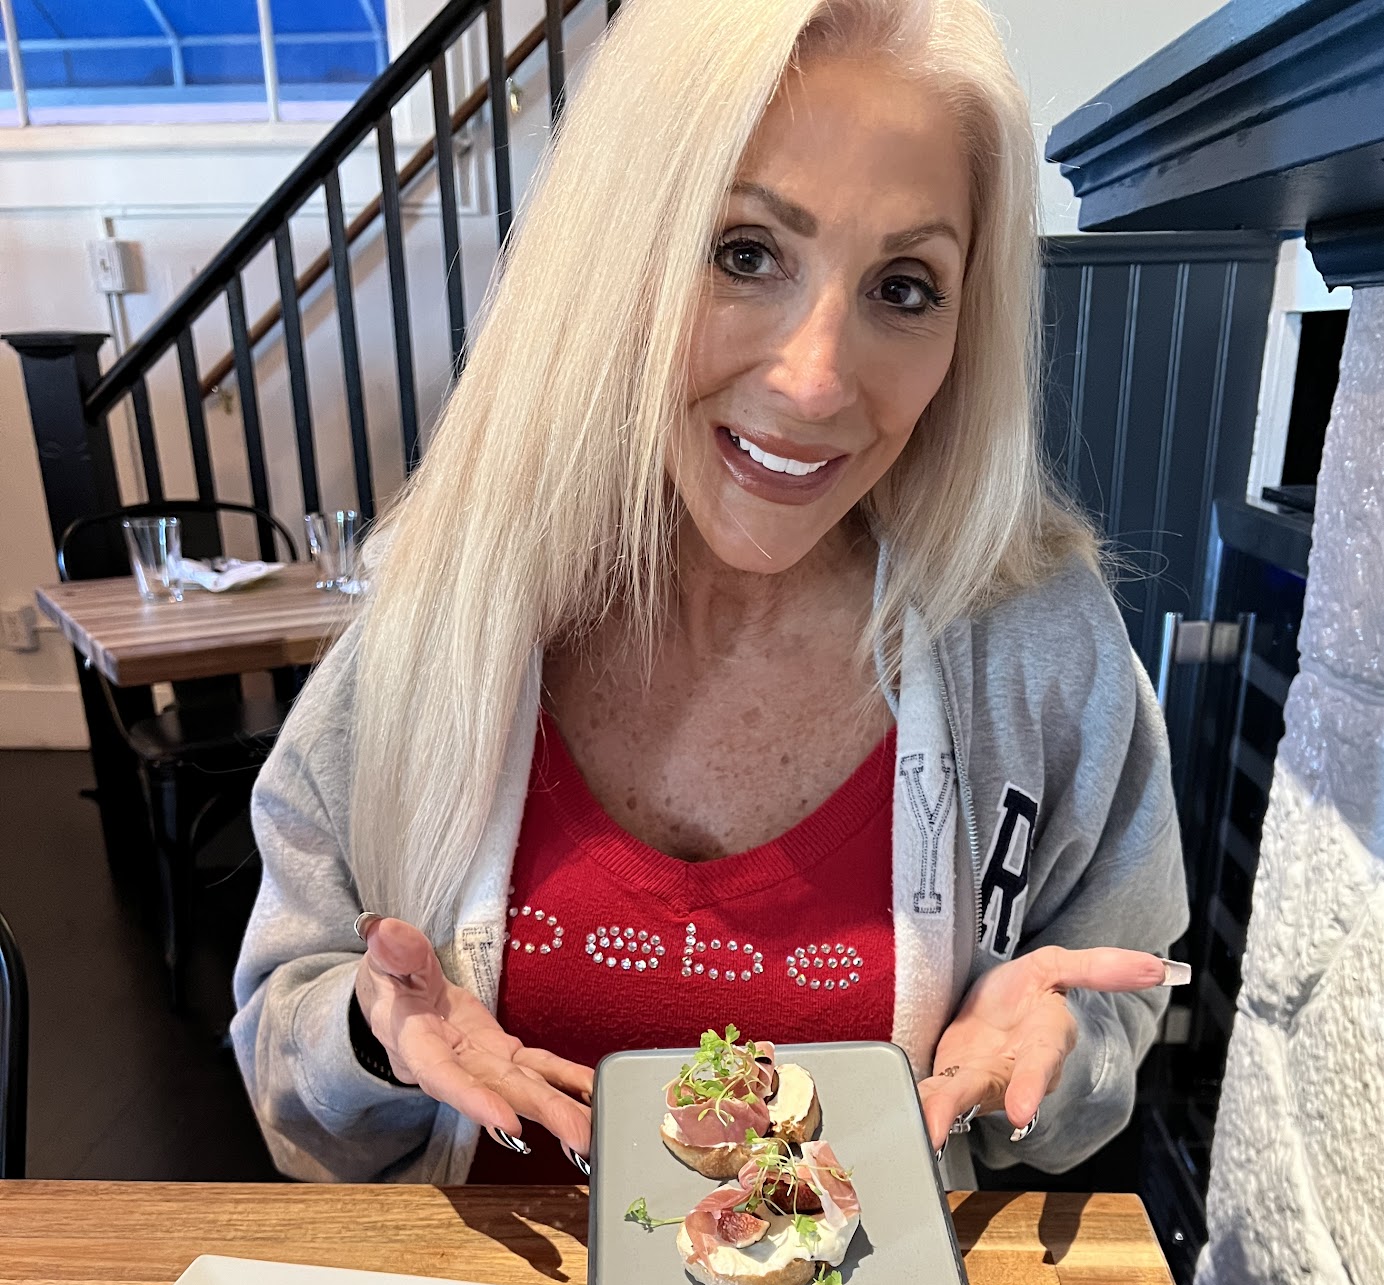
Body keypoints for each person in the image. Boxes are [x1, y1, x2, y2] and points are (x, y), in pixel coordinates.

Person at [232, 0, 1187, 1187]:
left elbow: (1106, 1012)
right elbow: (288, 1053)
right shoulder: (442, 617)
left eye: (903, 287)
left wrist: (1056, 1052)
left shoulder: (1040, 644)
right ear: (617, 257)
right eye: (745, 253)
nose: (816, 380)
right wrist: (374, 1034)